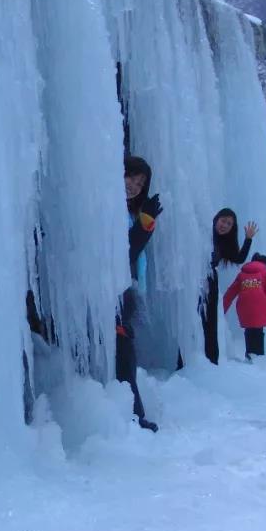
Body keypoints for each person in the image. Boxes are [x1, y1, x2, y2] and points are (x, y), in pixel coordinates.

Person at [119, 155, 162, 432]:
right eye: (131, 178)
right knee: (123, 352)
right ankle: (133, 415)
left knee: (124, 352)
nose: (134, 186)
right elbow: (123, 255)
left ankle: (130, 414)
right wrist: (144, 226)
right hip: (112, 293)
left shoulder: (130, 214)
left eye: (140, 183)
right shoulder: (112, 209)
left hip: (125, 294)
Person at [202, 209, 259, 363]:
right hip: (196, 280)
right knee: (197, 320)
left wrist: (248, 239)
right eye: (223, 220)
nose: (224, 225)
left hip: (210, 282)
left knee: (210, 322)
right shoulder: (203, 232)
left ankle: (211, 360)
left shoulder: (224, 243)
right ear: (216, 219)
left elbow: (239, 258)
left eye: (229, 224)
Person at [222, 253, 266, 359]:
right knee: (258, 331)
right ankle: (259, 358)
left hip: (244, 308)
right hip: (261, 307)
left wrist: (221, 310)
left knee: (249, 331)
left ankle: (249, 355)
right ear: (265, 264)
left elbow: (231, 292)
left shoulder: (242, 275)